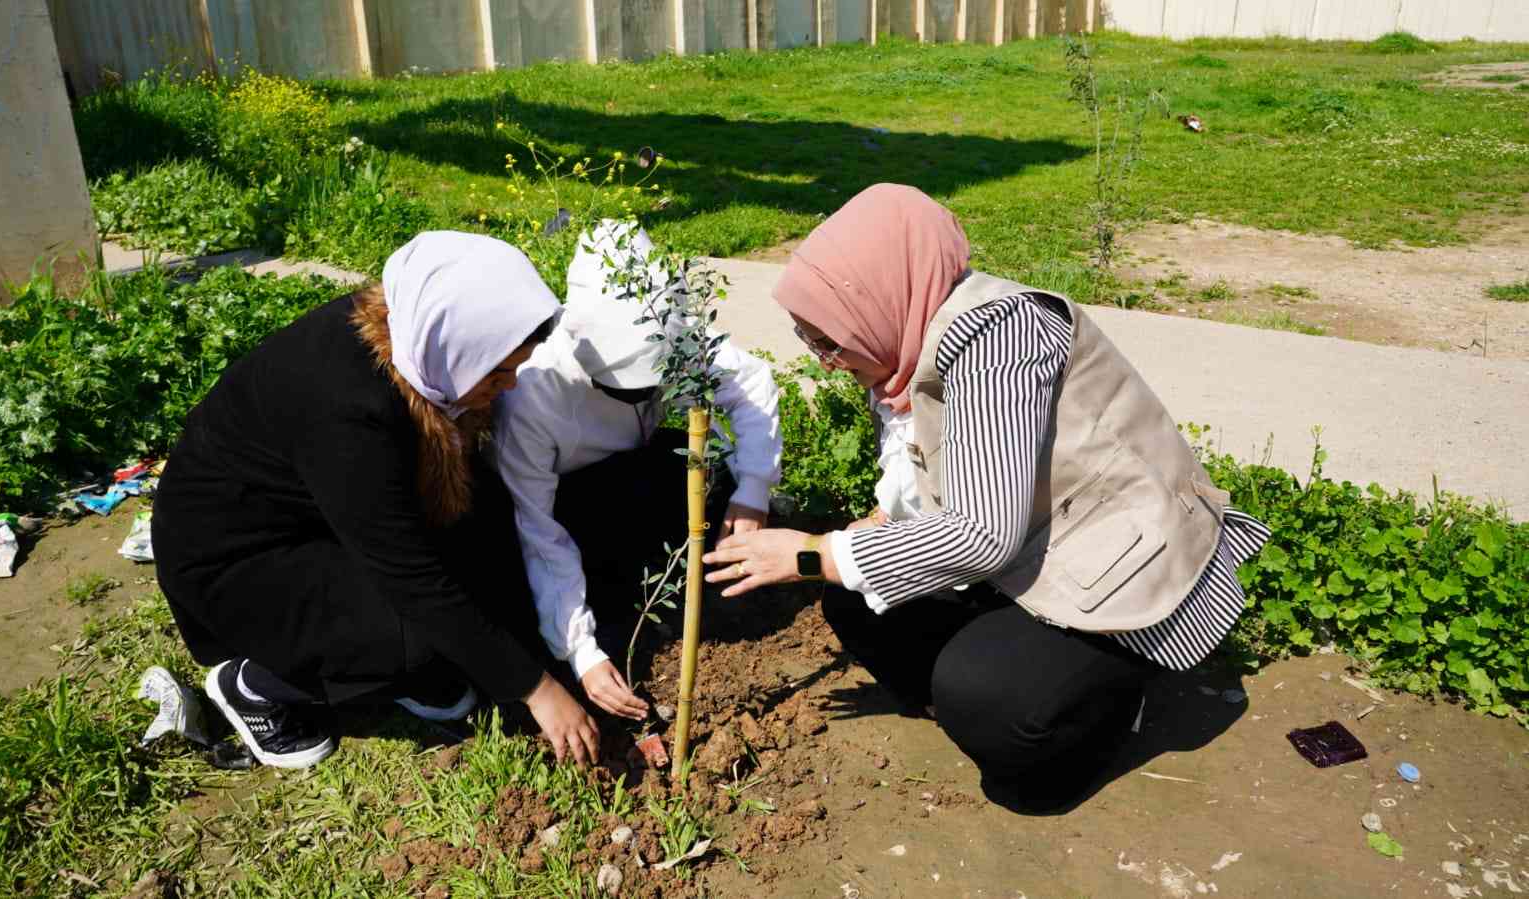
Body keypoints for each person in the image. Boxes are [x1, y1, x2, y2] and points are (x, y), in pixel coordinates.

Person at [704, 184, 1270, 807]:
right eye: (810, 340)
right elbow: (920, 474)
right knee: (858, 603)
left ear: (877, 297)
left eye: (829, 341)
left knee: (995, 719)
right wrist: (857, 539)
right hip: (1036, 542)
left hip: (1121, 563)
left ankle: (1114, 697)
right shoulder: (904, 338)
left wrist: (812, 553)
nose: (825, 361)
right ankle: (1012, 682)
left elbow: (982, 534)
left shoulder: (999, 342)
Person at [153, 232, 603, 769]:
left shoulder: (416, 341)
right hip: (240, 563)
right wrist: (536, 689)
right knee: (416, 634)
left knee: (482, 554)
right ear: (452, 346)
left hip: (320, 519)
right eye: (497, 371)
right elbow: (410, 576)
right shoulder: (348, 413)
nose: (507, 388)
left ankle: (409, 666)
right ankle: (259, 683)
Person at [493, 220, 781, 721]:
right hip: (572, 506)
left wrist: (753, 489)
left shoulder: (669, 333)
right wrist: (582, 652)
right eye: (622, 390)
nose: (639, 398)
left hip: (642, 473)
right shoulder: (533, 398)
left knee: (695, 471)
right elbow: (539, 531)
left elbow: (749, 381)